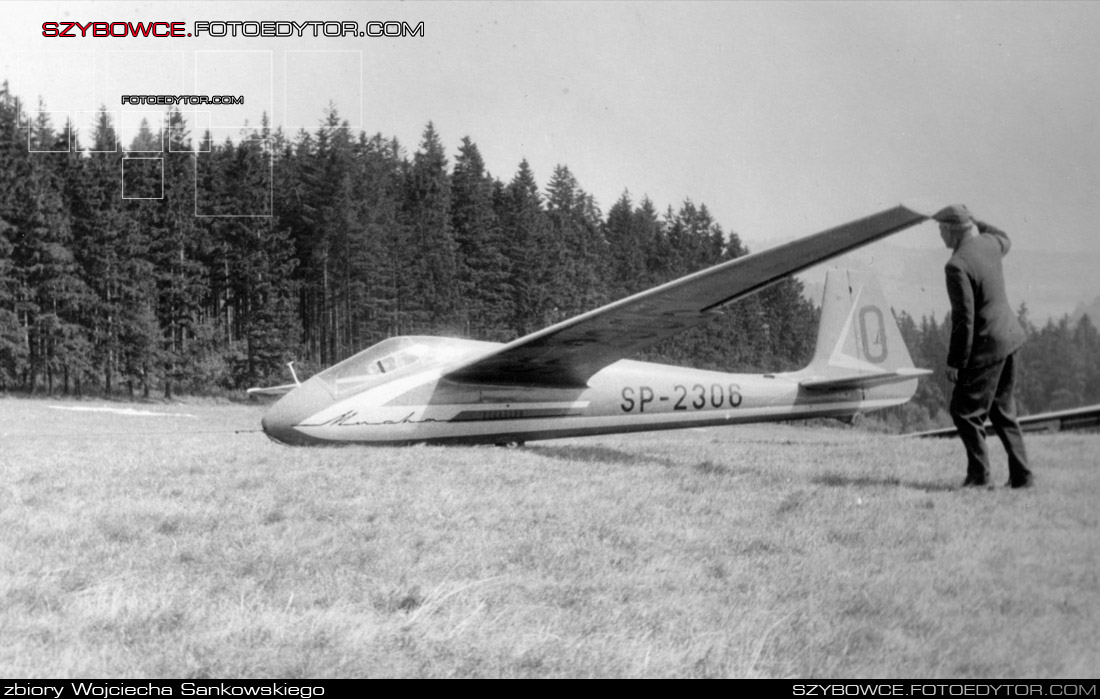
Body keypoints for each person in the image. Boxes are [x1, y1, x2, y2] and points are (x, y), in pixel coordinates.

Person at [933, 204, 1033, 489]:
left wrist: (956, 362)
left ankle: (978, 478)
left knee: (964, 412)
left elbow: (964, 319)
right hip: (1011, 337)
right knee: (1002, 411)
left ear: (953, 230)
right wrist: (975, 221)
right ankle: (1023, 477)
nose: (940, 234)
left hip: (988, 345)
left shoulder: (956, 265)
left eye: (942, 228)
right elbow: (1004, 236)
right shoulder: (989, 244)